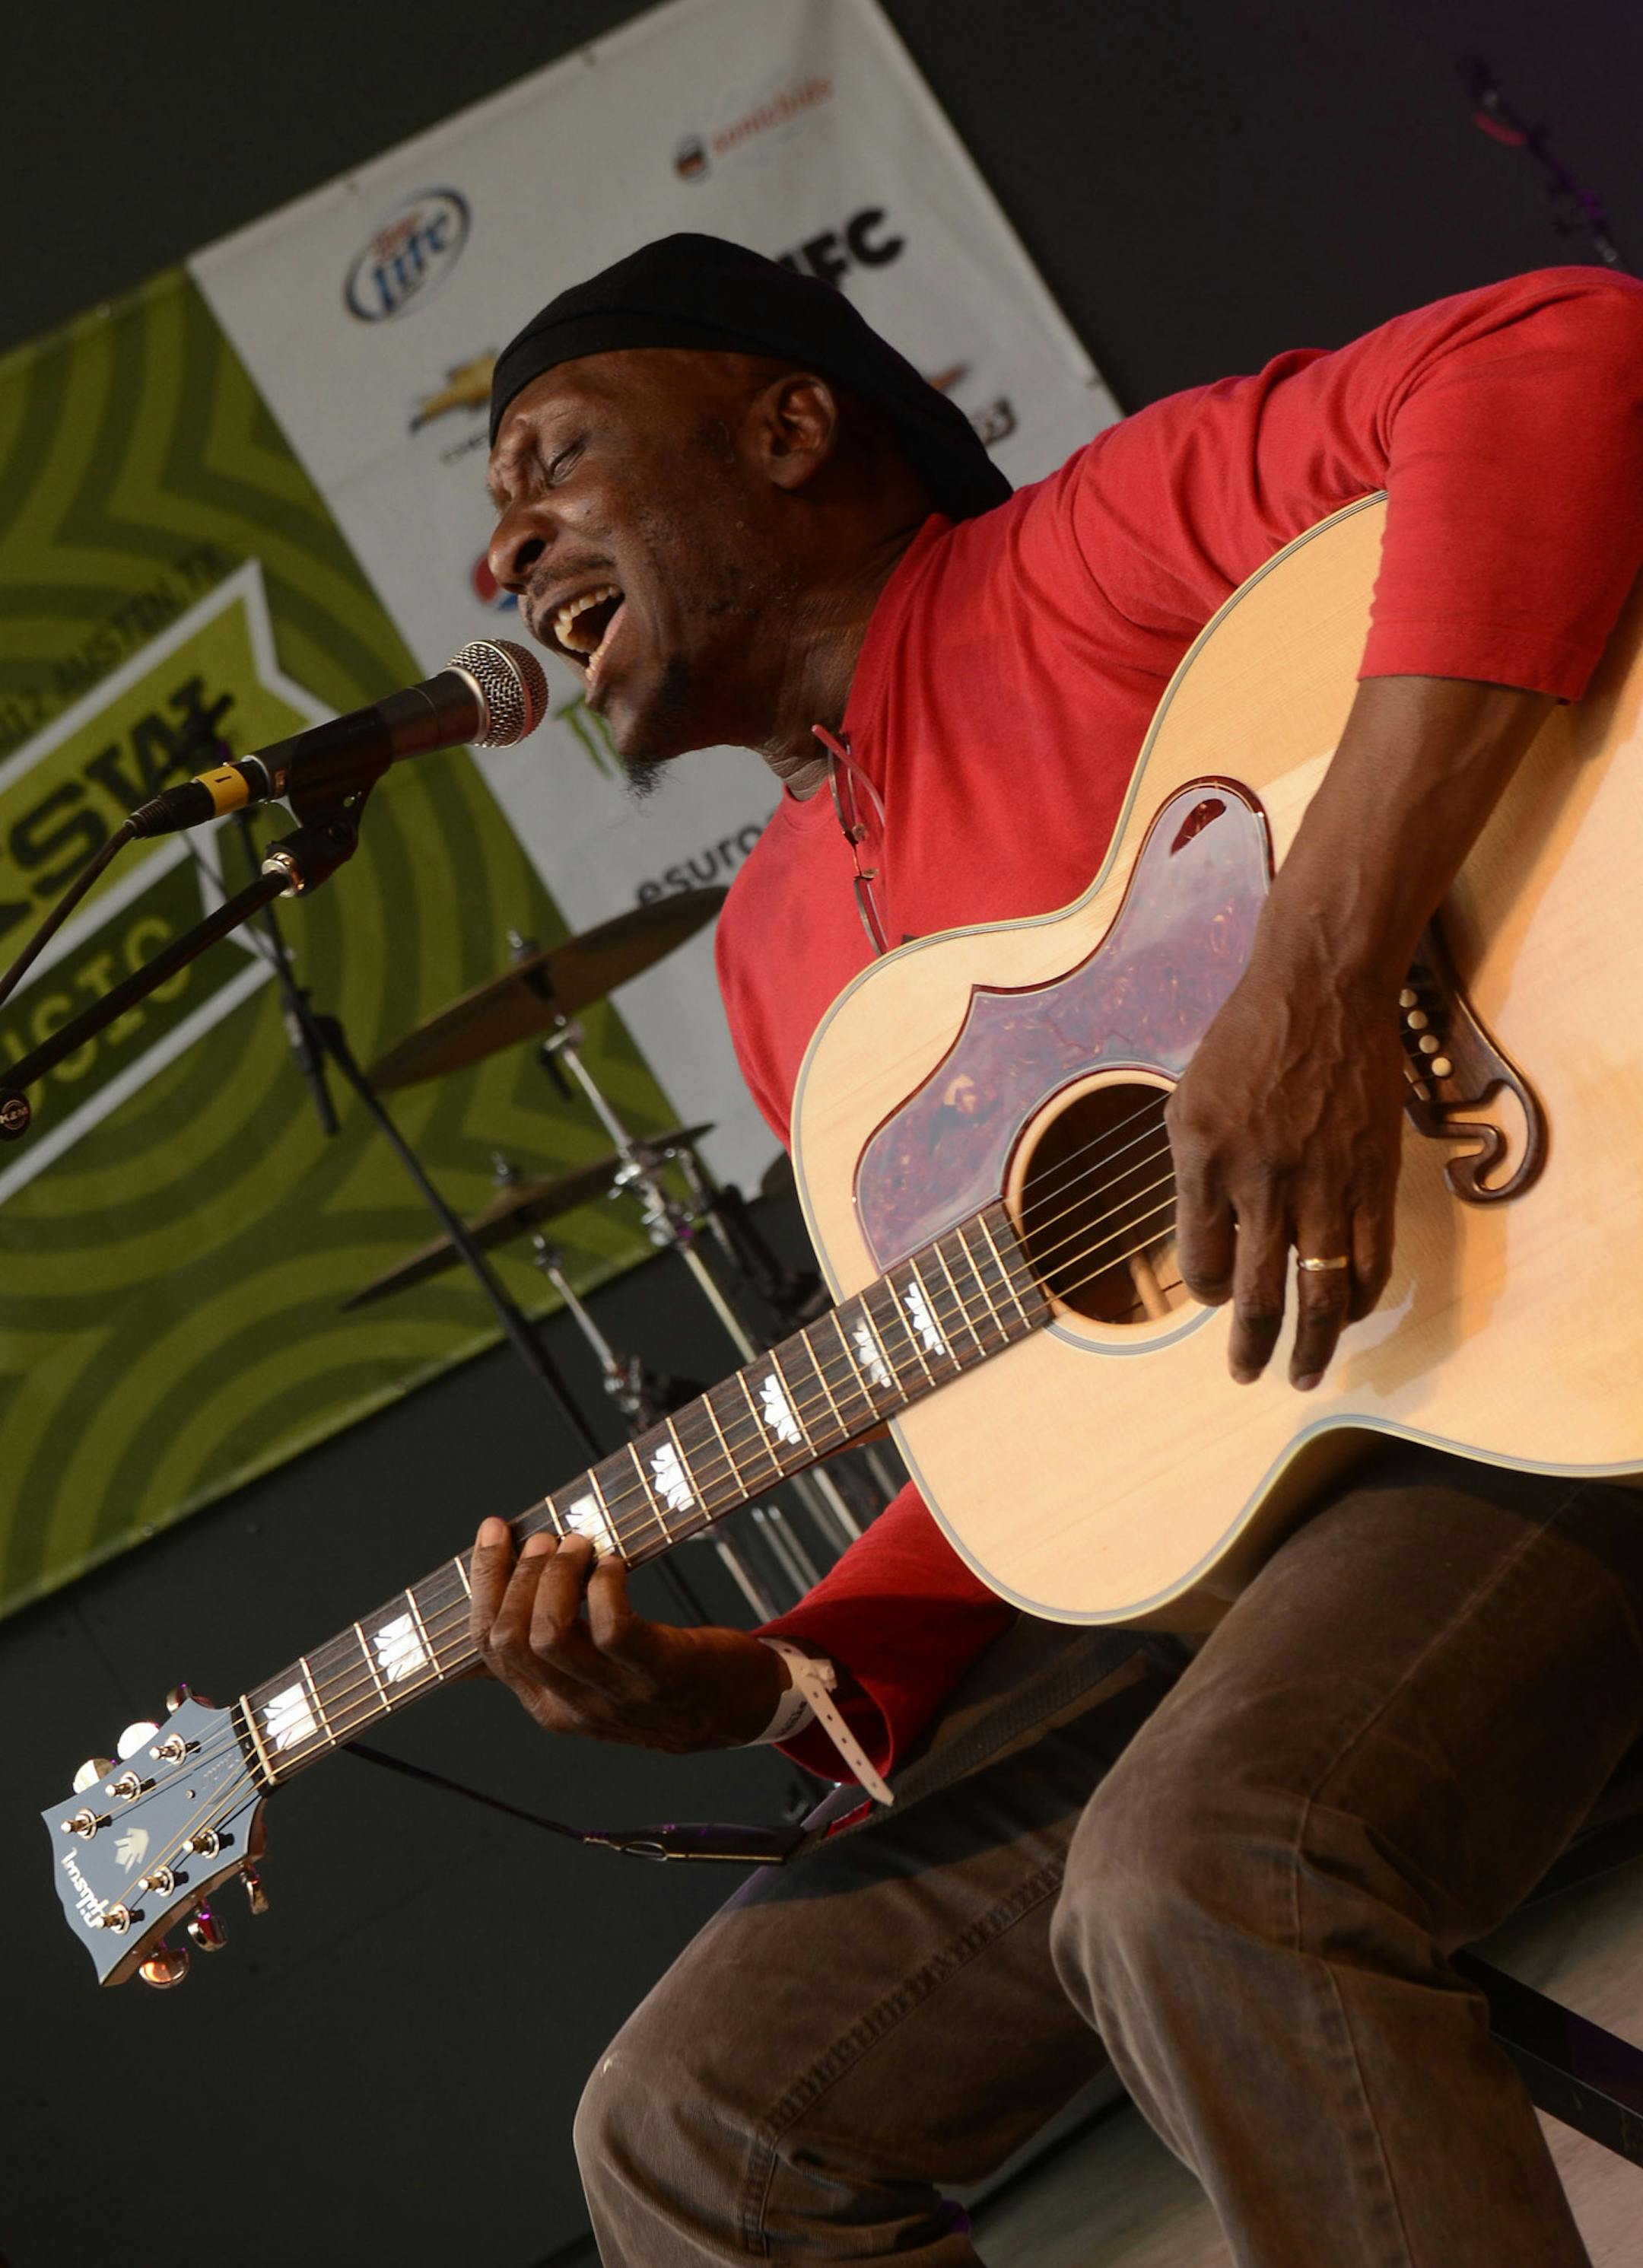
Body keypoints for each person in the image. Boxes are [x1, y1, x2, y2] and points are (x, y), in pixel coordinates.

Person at [467, 234, 1643, 2266]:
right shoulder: (772, 957)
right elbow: (1053, 1404)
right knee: (689, 2130)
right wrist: (762, 1681)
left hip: (1550, 1344)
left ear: (790, 426)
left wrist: (1319, 972)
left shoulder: (1078, 561)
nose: (502, 554)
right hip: (1286, 1500)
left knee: (1198, 1869)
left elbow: (1569, 345)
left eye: (552, 460)